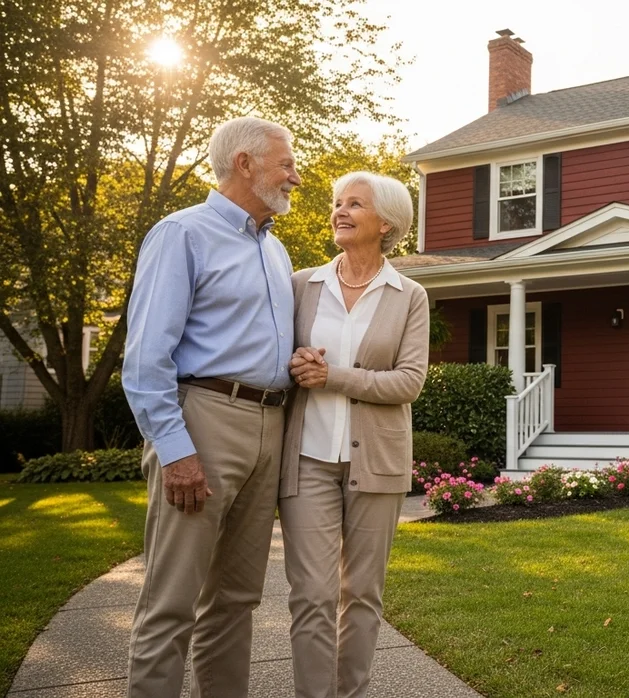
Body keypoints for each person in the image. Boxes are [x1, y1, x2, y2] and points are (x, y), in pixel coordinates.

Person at [123, 116, 300, 697]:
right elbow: (147, 359)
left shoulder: (276, 250)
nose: (295, 177)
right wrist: (176, 452)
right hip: (204, 420)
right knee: (172, 602)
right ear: (244, 163)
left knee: (237, 600)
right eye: (286, 163)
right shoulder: (182, 233)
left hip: (270, 425)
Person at [279, 171, 429, 698]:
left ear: (386, 222)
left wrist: (333, 376)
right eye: (338, 203)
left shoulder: (409, 295)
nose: (339, 211)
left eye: (355, 204)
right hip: (307, 459)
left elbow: (410, 381)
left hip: (378, 464)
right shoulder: (301, 284)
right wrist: (294, 362)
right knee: (312, 594)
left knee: (362, 594)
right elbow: (274, 359)